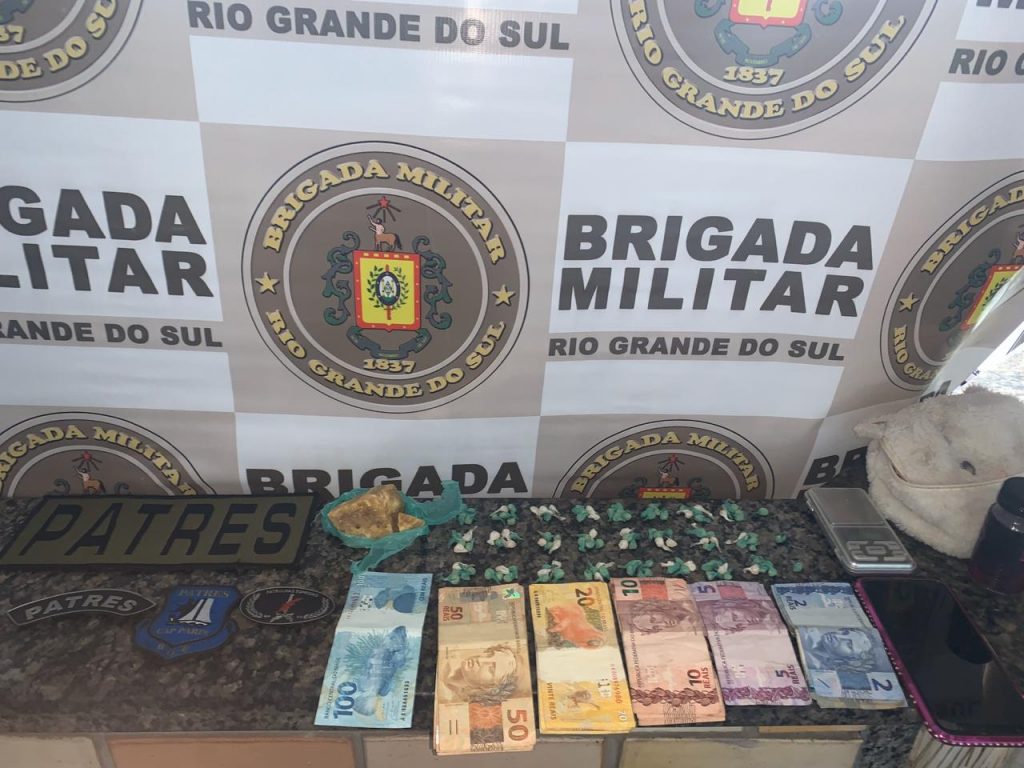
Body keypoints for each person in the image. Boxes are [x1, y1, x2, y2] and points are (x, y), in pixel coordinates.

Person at [441, 645, 520, 705]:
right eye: (489, 654)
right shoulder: (446, 655)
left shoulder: (451, 702)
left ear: (489, 688)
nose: (480, 660)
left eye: (491, 669)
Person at [801, 627, 877, 672]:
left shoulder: (817, 668)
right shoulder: (805, 631)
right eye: (844, 632)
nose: (837, 636)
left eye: (849, 645)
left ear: (851, 659)